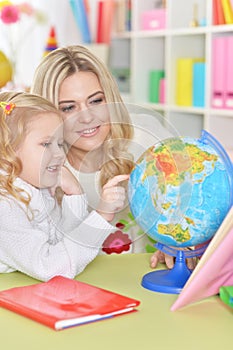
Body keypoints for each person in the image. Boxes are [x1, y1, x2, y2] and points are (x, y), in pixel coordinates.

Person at [31, 45, 196, 270]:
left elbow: (196, 200)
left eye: (96, 101)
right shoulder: (38, 169)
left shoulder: (146, 138)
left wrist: (184, 243)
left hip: (151, 274)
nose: (87, 117)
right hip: (80, 286)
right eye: (69, 107)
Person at [0, 91, 129, 281]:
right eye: (46, 144)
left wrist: (74, 195)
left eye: (60, 144)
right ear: (6, 153)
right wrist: (102, 216)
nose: (60, 154)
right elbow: (54, 268)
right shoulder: (5, 206)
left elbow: (65, 245)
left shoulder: (37, 190)